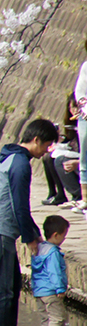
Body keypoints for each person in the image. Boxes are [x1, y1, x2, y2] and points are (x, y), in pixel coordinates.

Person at [0, 118, 58, 326]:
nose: (46, 151)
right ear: (36, 140)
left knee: (11, 285)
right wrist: (30, 237)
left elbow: (20, 206)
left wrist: (33, 231)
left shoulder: (14, 158)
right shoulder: (20, 163)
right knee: (3, 287)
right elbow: (19, 205)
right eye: (46, 145)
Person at [32, 215, 70, 326]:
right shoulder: (53, 252)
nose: (64, 239)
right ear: (56, 235)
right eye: (63, 235)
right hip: (51, 291)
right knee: (57, 318)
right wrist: (59, 288)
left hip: (39, 291)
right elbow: (54, 272)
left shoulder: (40, 249)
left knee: (45, 319)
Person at [74, 38, 87, 206]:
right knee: (85, 155)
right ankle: (85, 198)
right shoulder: (86, 67)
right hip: (86, 116)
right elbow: (80, 93)